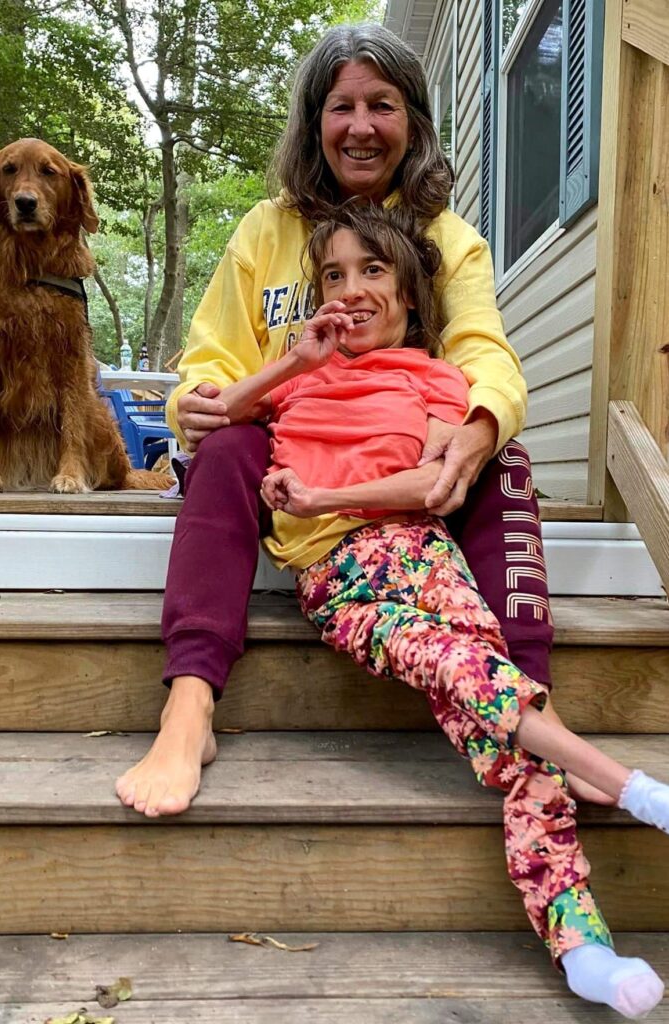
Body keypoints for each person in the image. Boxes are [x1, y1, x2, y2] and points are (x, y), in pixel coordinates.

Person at [115, 21, 605, 822]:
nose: (361, 126)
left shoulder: (447, 237)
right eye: (341, 107)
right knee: (228, 445)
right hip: (291, 472)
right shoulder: (265, 229)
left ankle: (535, 707)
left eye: (382, 105)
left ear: (414, 119)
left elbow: (485, 353)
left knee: (504, 455)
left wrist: (478, 426)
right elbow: (210, 360)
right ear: (315, 123)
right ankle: (190, 706)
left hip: (404, 481)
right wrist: (193, 400)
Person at [218, 202, 668, 1019]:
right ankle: (629, 785)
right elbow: (218, 417)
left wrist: (323, 495)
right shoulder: (298, 377)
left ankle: (582, 946)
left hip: (421, 550)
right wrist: (293, 362)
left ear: (409, 294)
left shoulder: (433, 376)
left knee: (505, 731)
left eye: (372, 270)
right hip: (338, 576)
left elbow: (433, 484)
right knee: (464, 669)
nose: (351, 289)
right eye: (333, 275)